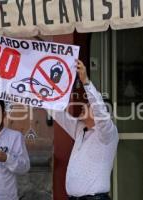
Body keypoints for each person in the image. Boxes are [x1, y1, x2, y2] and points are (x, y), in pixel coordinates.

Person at [51, 60, 119, 200]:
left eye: (88, 105)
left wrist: (86, 81)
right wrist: (40, 93)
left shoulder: (107, 134)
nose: (83, 106)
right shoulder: (80, 129)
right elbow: (56, 112)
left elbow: (99, 109)